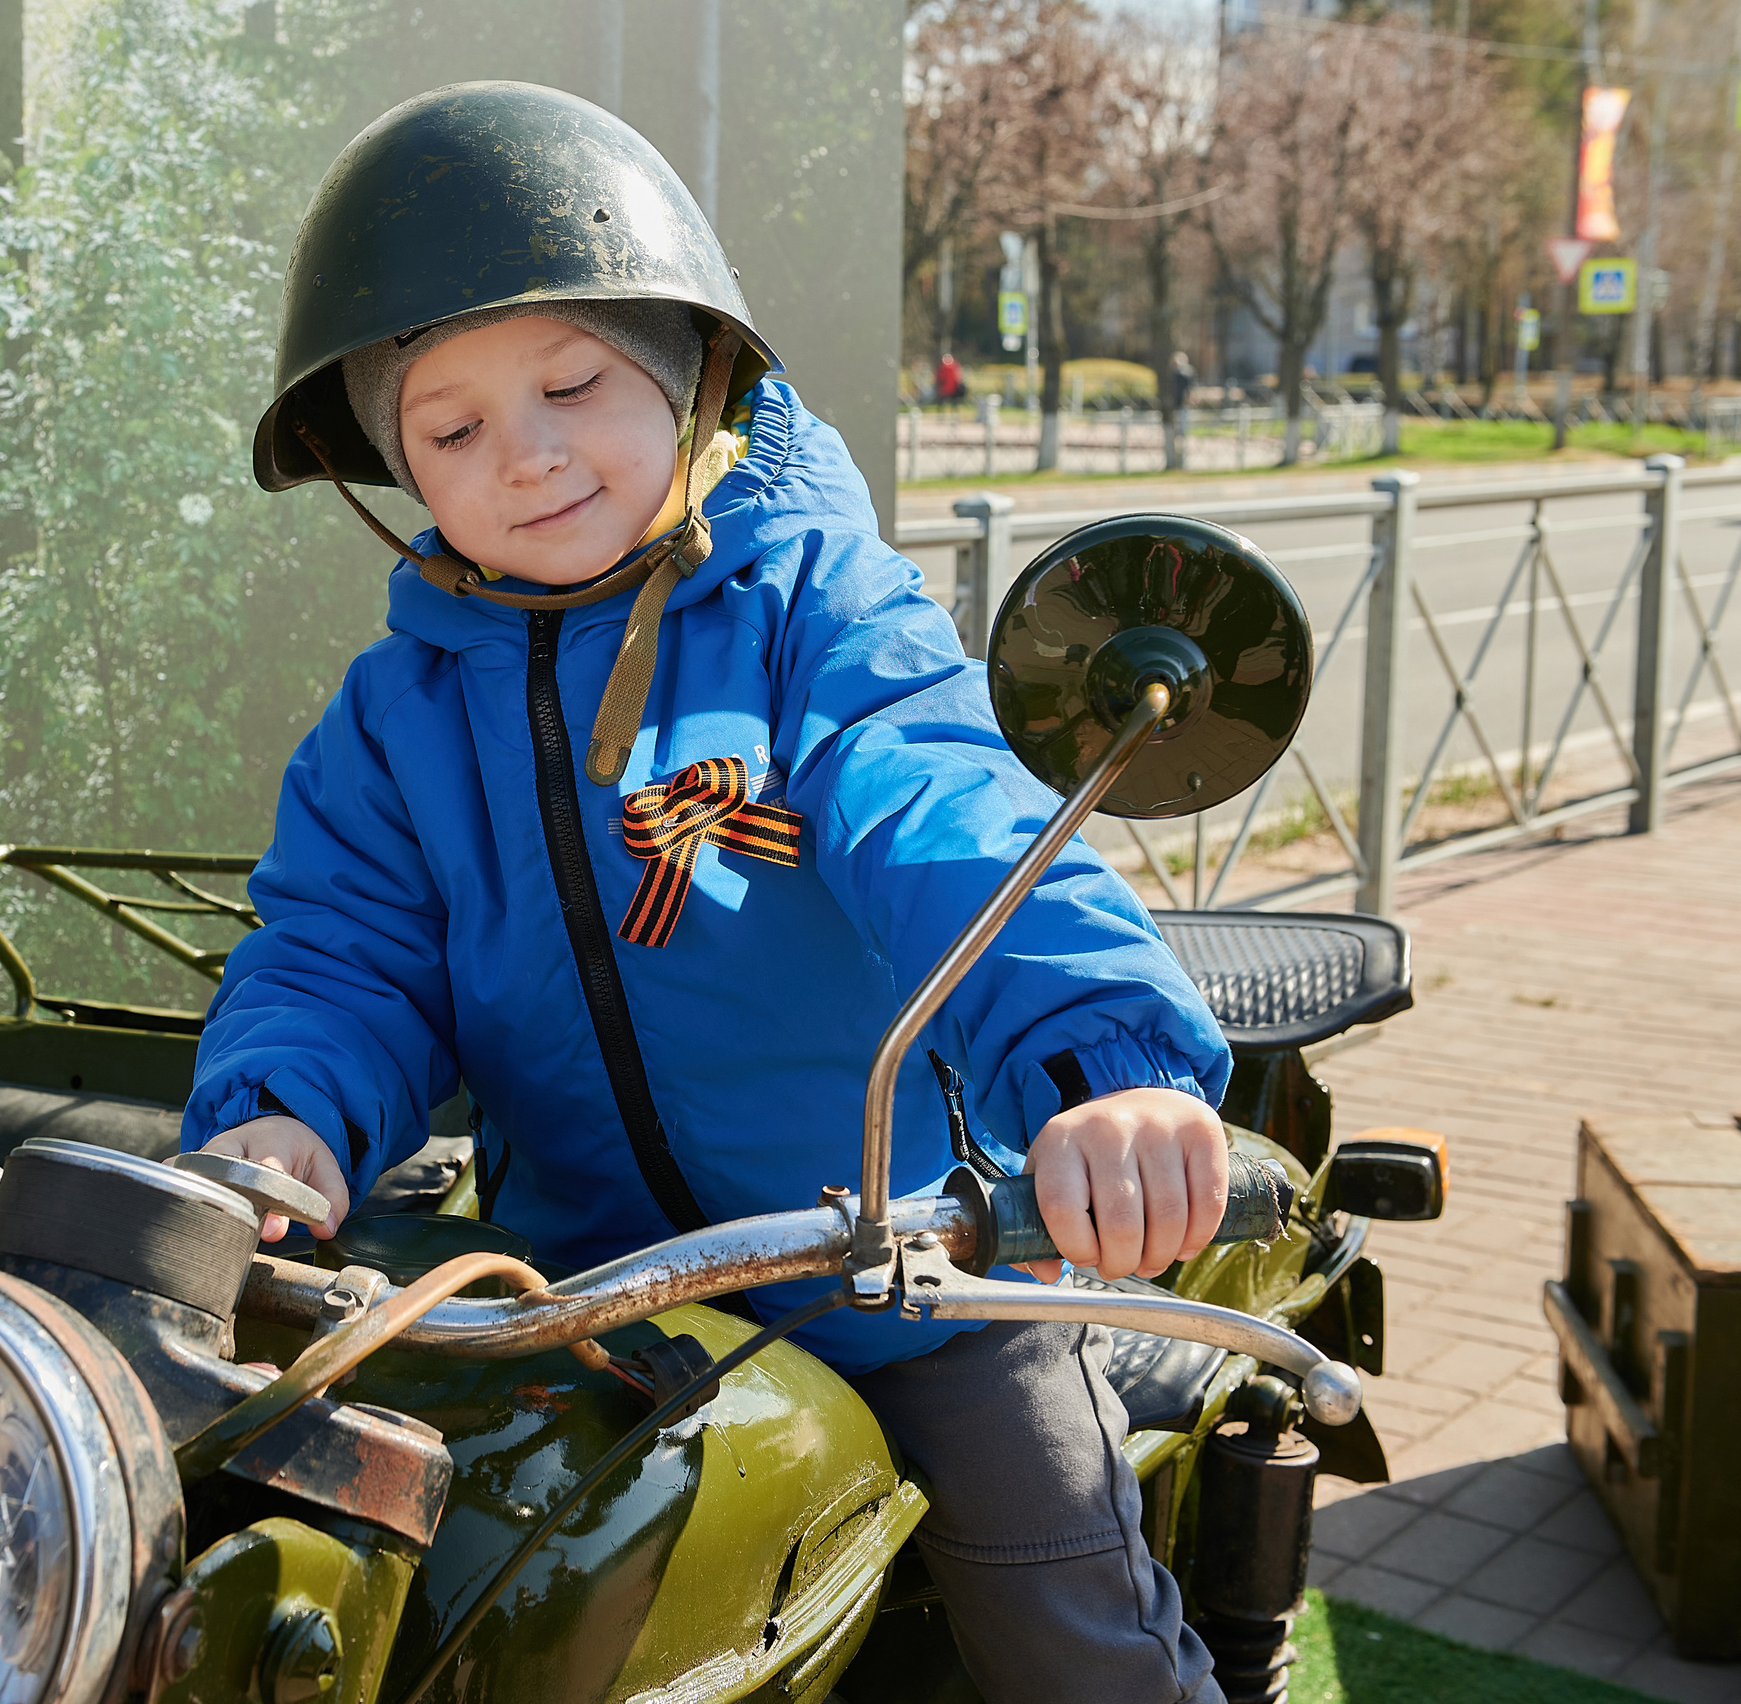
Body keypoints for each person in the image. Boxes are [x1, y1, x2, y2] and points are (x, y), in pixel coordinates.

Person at [187, 83, 1233, 1704]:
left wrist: (1100, 1059)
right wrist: (284, 1114)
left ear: (694, 373)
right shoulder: (395, 719)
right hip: (578, 1311)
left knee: (1073, 1631)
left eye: (574, 385)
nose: (527, 455)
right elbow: (344, 956)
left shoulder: (820, 614)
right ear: (395, 473)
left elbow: (947, 816)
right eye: (451, 431)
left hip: (906, 1280)